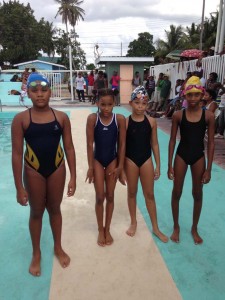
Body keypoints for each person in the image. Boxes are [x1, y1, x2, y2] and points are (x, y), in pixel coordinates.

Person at [11, 73, 76, 276]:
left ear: (50, 92)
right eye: (34, 90)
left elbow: (70, 148)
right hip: (33, 171)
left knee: (55, 209)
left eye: (44, 90)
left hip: (57, 168)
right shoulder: (21, 119)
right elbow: (16, 154)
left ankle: (57, 247)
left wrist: (73, 177)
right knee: (37, 212)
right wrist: (19, 187)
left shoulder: (61, 117)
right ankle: (36, 253)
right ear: (28, 93)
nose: (40, 94)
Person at [168, 76, 215, 245]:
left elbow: (210, 142)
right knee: (177, 192)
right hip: (181, 155)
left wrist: (209, 168)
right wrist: (169, 165)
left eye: (196, 95)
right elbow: (173, 140)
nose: (193, 98)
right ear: (185, 96)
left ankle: (194, 228)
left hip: (198, 157)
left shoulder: (208, 116)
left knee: (197, 193)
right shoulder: (178, 115)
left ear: (202, 95)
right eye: (190, 95)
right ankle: (176, 226)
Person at [123, 86, 168, 243]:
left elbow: (154, 144)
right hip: (130, 160)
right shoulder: (126, 122)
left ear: (147, 104)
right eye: (137, 103)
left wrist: (158, 165)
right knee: (132, 193)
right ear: (131, 103)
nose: (140, 106)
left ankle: (155, 228)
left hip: (146, 159)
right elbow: (121, 147)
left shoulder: (151, 121)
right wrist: (121, 168)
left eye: (143, 103)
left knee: (149, 194)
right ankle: (133, 222)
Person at [86, 88, 126, 247]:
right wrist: (90, 166)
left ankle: (107, 228)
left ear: (114, 104)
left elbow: (122, 144)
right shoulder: (92, 119)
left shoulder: (120, 119)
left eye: (110, 104)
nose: (106, 108)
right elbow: (90, 144)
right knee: (100, 196)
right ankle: (99, 229)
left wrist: (120, 166)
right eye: (103, 104)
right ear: (97, 103)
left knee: (110, 196)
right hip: (97, 160)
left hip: (112, 160)